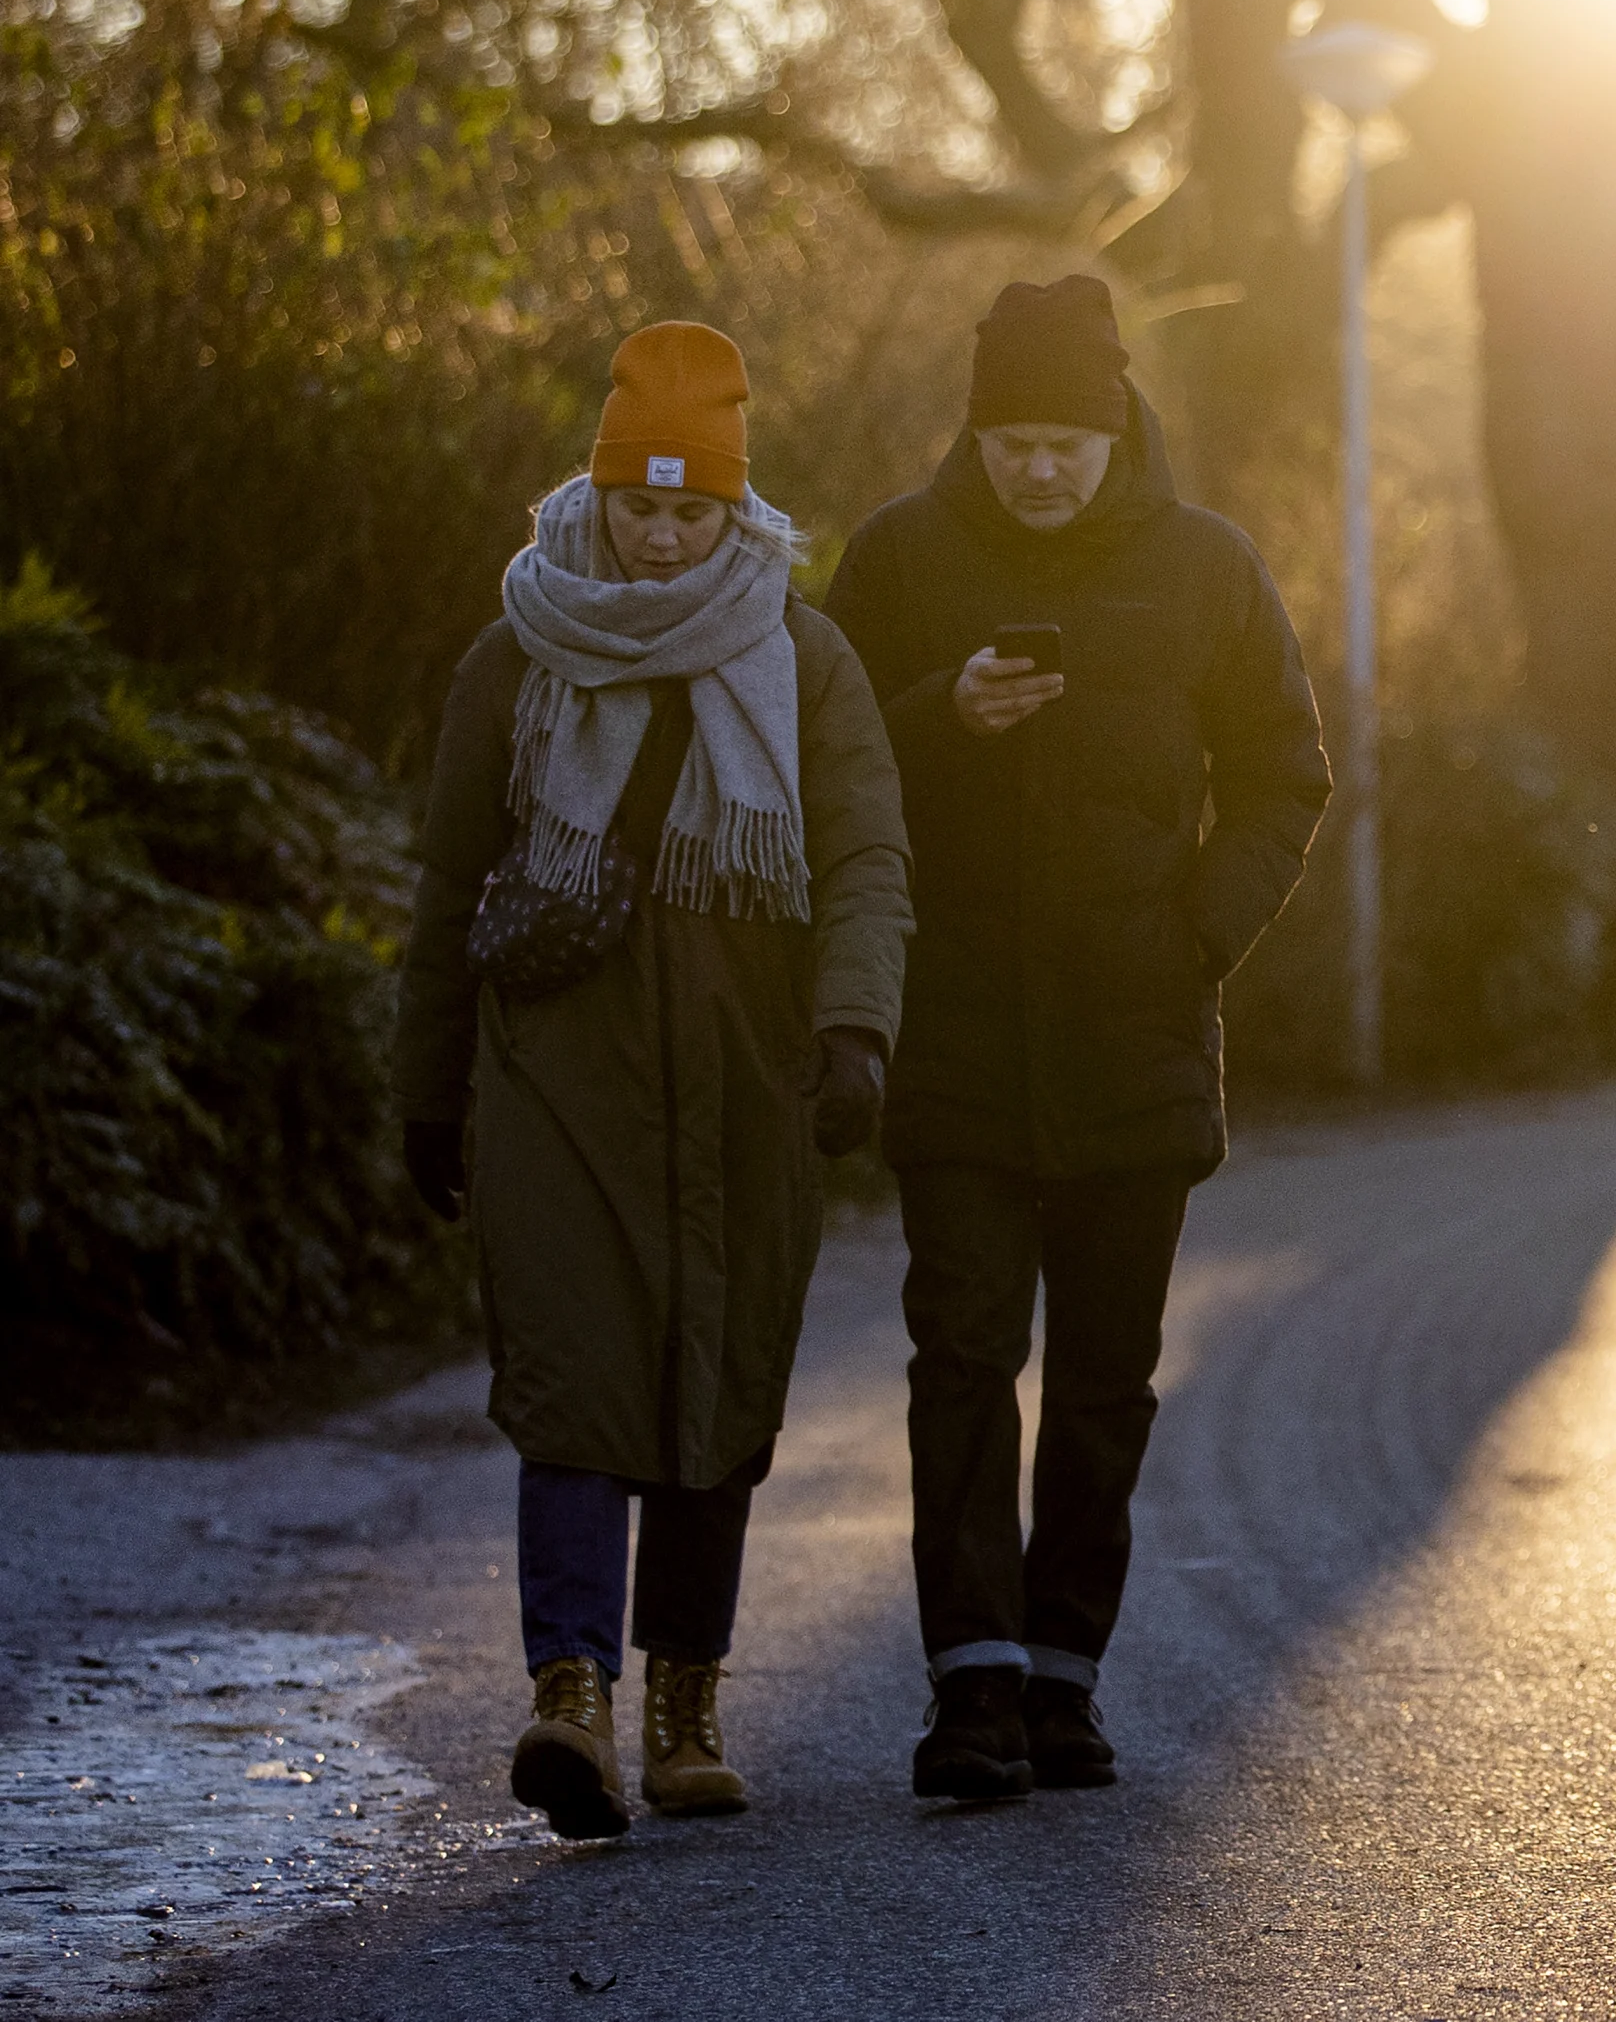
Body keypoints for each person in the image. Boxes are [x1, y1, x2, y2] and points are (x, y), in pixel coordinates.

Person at [395, 321, 913, 1841]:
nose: (663, 533)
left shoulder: (806, 660)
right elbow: (445, 890)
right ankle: (572, 1699)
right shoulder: (516, 650)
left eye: (693, 511)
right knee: (572, 1384)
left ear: (735, 509)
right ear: (602, 489)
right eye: (641, 505)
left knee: (716, 1384)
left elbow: (870, 862)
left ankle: (686, 1699)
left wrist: (854, 1031)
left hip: (749, 1081)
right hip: (555, 1077)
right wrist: (427, 1090)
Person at [822, 277, 1329, 1803]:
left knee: (1108, 1379)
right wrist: (936, 715)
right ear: (977, 430)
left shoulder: (1207, 567)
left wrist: (1194, 939)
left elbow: (1286, 775)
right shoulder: (901, 558)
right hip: (957, 1035)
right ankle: (968, 1684)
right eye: (1014, 440)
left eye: (1066, 442)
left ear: (1115, 430)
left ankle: (1064, 1677)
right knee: (962, 1356)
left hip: (1136, 1037)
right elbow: (820, 760)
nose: (1039, 470)